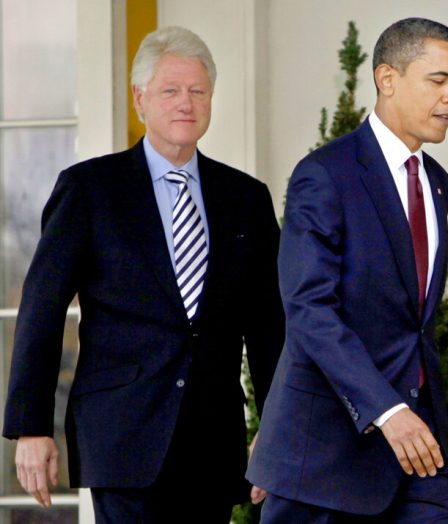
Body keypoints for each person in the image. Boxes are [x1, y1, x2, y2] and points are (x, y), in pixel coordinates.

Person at [3, 26, 284, 523]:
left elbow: (269, 325)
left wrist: (277, 425)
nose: (186, 103)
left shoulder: (246, 199)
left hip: (214, 441)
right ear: (140, 99)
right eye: (170, 91)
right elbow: (41, 310)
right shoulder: (90, 190)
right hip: (121, 437)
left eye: (198, 91)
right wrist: (31, 427)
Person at [246, 17, 448, 523]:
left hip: (420, 453)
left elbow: (415, 322)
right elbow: (308, 309)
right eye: (438, 80)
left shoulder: (436, 181)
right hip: (323, 459)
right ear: (386, 79)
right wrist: (387, 411)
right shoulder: (324, 175)